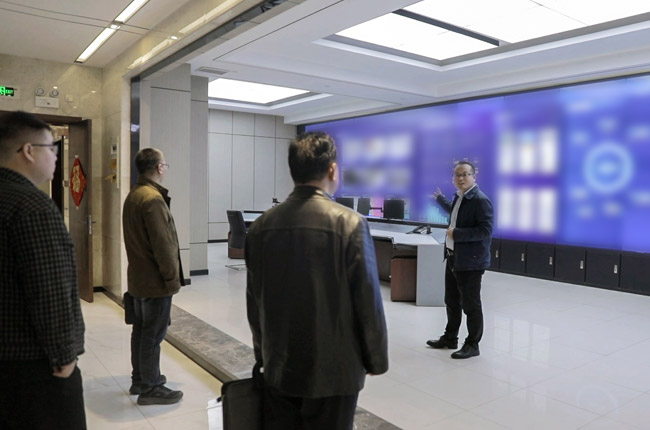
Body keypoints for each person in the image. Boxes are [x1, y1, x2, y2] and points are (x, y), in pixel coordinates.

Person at [246, 131, 388, 430]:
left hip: (279, 365)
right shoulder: (350, 223)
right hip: (335, 372)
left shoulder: (260, 227)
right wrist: (376, 359)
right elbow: (367, 301)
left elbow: (254, 301)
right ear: (333, 170)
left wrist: (264, 355)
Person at [0, 111, 86, 429]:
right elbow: (50, 289)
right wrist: (64, 354)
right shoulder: (32, 206)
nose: (55, 156)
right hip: (32, 364)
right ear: (28, 150)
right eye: (51, 148)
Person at [122, 147, 184, 405]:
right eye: (164, 165)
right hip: (154, 281)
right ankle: (151, 387)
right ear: (159, 167)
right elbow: (163, 246)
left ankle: (140, 379)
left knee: (141, 331)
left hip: (138, 278)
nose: (165, 169)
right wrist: (172, 279)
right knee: (153, 335)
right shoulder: (153, 199)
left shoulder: (134, 195)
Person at [426, 161, 493, 359]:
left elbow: (485, 230)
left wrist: (457, 234)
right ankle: (450, 338)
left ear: (474, 176)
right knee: (452, 301)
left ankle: (472, 344)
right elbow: (456, 214)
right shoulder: (460, 196)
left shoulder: (480, 200)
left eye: (465, 174)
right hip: (453, 256)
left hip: (470, 262)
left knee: (471, 305)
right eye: (457, 175)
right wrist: (440, 199)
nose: (461, 178)